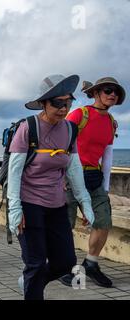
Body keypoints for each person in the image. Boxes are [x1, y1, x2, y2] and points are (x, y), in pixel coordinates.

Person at [7, 74, 95, 300]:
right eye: (58, 103)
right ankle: (32, 285)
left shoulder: (70, 130)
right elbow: (15, 172)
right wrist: (15, 209)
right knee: (35, 263)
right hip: (29, 204)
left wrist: (84, 201)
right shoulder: (28, 128)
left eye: (68, 102)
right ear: (44, 103)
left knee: (66, 262)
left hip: (57, 204)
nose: (64, 108)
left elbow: (74, 168)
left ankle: (30, 283)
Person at [60, 77, 126, 288]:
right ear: (96, 92)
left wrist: (105, 189)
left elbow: (107, 156)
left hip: (94, 178)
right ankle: (62, 267)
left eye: (116, 92)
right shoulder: (80, 114)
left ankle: (91, 263)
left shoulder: (111, 121)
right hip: (70, 176)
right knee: (64, 225)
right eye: (108, 90)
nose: (112, 94)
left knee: (103, 221)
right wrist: (59, 176)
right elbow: (62, 144)